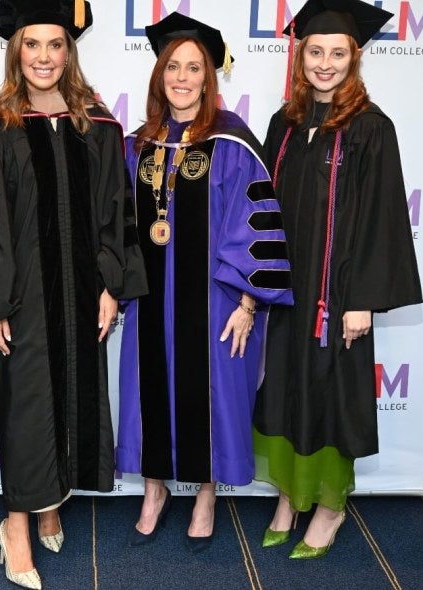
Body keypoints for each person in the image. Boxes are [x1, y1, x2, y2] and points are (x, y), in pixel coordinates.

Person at [0, 1, 147, 587]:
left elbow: (117, 212)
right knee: (26, 404)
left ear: (69, 51)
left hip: (84, 293)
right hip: (19, 297)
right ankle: (15, 524)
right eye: (31, 45)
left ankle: (51, 499)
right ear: (15, 51)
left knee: (71, 396)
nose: (43, 56)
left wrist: (111, 287)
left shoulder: (98, 125)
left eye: (54, 45)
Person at [116, 12, 293, 553]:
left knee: (212, 395)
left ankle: (207, 493)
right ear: (159, 75)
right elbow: (119, 221)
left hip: (216, 302)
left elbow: (254, 221)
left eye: (194, 67)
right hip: (150, 302)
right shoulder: (136, 144)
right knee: (148, 392)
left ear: (209, 76)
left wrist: (247, 301)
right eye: (173, 66)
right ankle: (154, 488)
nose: (183, 77)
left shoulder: (233, 143)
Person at [253, 0, 422, 559]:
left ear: (355, 58)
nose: (324, 63)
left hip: (337, 296)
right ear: (301, 55)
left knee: (330, 396)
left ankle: (328, 506)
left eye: (338, 54)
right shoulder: (284, 123)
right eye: (316, 51)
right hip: (285, 291)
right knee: (281, 392)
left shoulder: (371, 128)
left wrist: (363, 302)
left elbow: (383, 219)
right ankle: (288, 495)